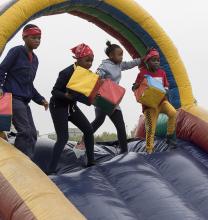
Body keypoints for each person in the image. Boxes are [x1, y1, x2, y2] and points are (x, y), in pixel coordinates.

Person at [78, 41, 142, 154]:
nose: (122, 57)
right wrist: (100, 79)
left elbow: (130, 64)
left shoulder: (120, 65)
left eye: (122, 54)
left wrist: (142, 60)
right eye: (119, 54)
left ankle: (124, 151)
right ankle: (83, 141)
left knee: (115, 124)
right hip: (103, 98)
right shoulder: (105, 65)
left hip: (113, 98)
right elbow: (96, 75)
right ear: (111, 55)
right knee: (106, 122)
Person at [0, 24, 48, 158]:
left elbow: (29, 85)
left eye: (39, 38)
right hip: (12, 98)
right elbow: (2, 69)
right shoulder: (17, 51)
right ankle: (19, 163)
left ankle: (28, 165)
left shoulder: (35, 60)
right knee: (25, 132)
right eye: (34, 37)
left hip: (24, 101)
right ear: (24, 37)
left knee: (32, 134)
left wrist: (40, 99)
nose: (37, 40)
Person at [49, 43, 95, 173]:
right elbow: (54, 91)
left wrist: (92, 97)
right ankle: (51, 170)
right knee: (63, 138)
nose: (90, 64)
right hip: (58, 106)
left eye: (91, 61)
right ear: (78, 59)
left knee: (89, 130)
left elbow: (83, 95)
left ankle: (91, 162)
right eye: (87, 60)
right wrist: (65, 95)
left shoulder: (86, 74)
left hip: (71, 107)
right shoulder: (66, 72)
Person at [133, 48, 177, 154]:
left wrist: (165, 90)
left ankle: (170, 136)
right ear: (147, 61)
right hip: (149, 106)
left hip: (161, 102)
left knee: (173, 113)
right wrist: (136, 86)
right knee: (150, 128)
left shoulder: (162, 72)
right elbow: (135, 87)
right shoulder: (143, 73)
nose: (156, 62)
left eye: (158, 60)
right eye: (153, 60)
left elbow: (166, 86)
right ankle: (149, 150)